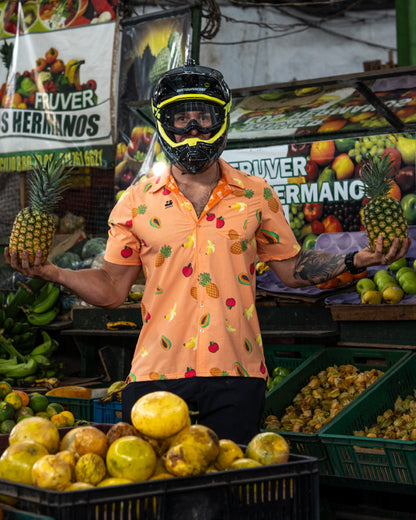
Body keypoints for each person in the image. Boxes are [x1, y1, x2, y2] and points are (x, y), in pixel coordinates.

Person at [5, 59, 410, 444]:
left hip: (237, 372)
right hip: (155, 375)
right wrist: (54, 272)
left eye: (204, 115)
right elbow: (112, 289)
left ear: (221, 120)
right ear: (166, 124)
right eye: (181, 118)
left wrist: (358, 259)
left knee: (229, 490)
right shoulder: (135, 201)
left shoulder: (255, 194)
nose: (193, 127)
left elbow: (291, 268)